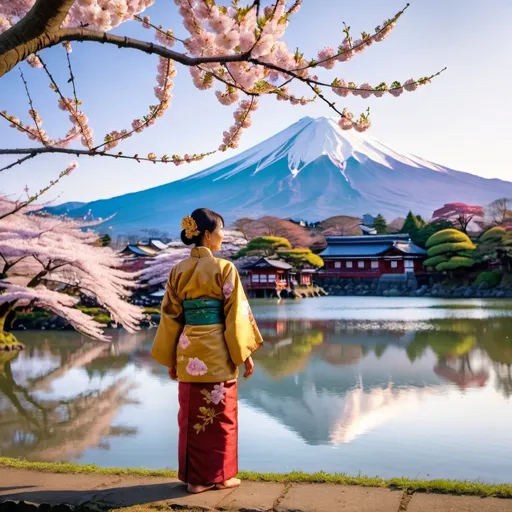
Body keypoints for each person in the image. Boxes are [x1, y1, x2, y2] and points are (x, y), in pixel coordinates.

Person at [151, 208, 263, 494]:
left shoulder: (178, 270)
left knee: (191, 417)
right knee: (222, 415)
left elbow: (170, 316)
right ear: (208, 234)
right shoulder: (225, 269)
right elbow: (235, 317)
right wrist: (245, 354)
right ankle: (222, 476)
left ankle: (196, 479)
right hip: (218, 350)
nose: (224, 236)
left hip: (188, 350)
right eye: (222, 230)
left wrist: (171, 357)